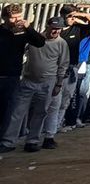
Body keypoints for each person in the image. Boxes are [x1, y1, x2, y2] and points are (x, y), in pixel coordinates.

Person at [4, 12, 69, 151]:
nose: (55, 31)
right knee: (17, 111)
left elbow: (63, 64)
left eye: (58, 29)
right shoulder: (37, 38)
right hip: (28, 80)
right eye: (53, 28)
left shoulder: (62, 44)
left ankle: (32, 141)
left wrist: (58, 83)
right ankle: (8, 142)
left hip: (48, 82)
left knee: (40, 112)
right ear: (48, 26)